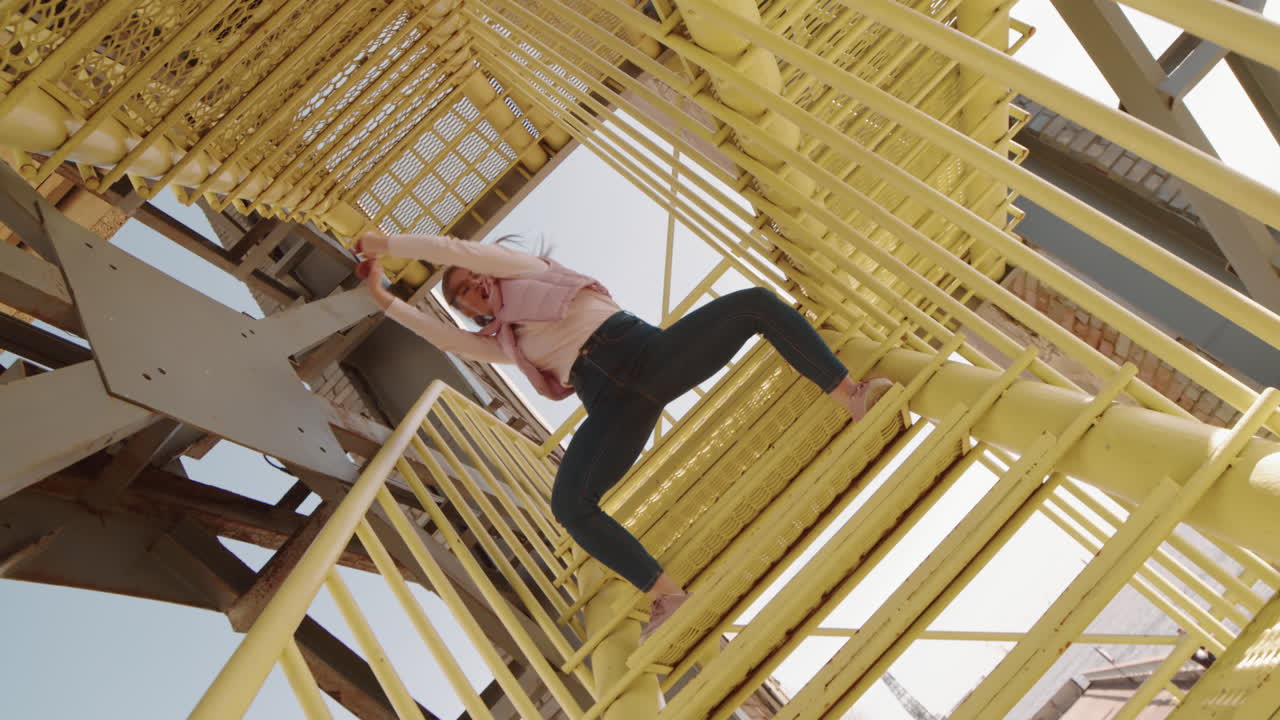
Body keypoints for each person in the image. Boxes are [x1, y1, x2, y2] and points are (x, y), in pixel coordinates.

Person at [355, 230, 892, 638]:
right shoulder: (505, 345)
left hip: (649, 356)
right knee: (569, 504)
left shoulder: (529, 270)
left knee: (754, 303)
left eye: (471, 279)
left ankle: (851, 396)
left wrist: (389, 244)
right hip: (612, 406)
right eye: (463, 296)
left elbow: (466, 253)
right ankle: (667, 596)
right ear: (471, 313)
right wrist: (382, 299)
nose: (472, 288)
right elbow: (440, 338)